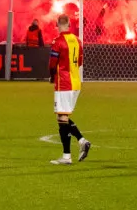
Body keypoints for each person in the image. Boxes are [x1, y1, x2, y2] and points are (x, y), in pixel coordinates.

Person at [47, 14, 91, 164]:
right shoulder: (78, 41)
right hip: (76, 82)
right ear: (69, 24)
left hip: (64, 83)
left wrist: (52, 76)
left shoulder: (58, 41)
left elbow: (52, 64)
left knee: (62, 118)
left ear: (57, 24)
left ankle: (67, 156)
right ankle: (81, 141)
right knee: (62, 117)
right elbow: (79, 62)